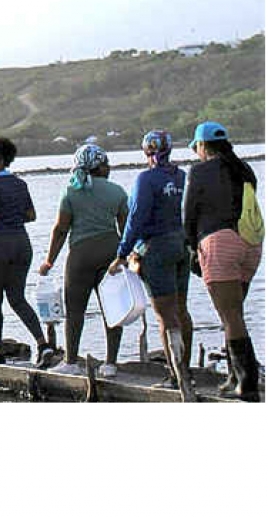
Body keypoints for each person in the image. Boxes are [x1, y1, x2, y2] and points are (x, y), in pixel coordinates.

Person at [107, 130, 193, 398]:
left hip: (156, 249)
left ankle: (175, 376)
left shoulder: (146, 178)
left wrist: (122, 252)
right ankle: (185, 369)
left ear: (147, 152)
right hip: (181, 244)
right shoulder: (180, 176)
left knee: (164, 315)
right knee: (181, 309)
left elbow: (137, 217)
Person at [184, 121, 262, 401]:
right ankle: (233, 376)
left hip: (219, 243)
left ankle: (248, 383)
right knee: (234, 313)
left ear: (203, 146)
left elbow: (189, 215)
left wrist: (192, 248)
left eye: (197, 147)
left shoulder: (200, 171)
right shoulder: (245, 170)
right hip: (251, 244)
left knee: (230, 315)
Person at [38, 144, 128, 377]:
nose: (109, 168)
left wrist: (49, 261)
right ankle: (110, 363)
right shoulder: (117, 191)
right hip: (111, 253)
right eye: (106, 164)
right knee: (112, 309)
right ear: (100, 167)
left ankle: (70, 361)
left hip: (80, 256)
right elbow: (126, 227)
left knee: (75, 310)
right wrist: (126, 256)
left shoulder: (71, 191)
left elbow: (61, 230)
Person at [0, 138, 54, 367]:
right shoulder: (20, 184)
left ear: (0, 162)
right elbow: (31, 215)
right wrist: (12, 216)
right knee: (17, 298)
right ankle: (43, 343)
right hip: (21, 245)